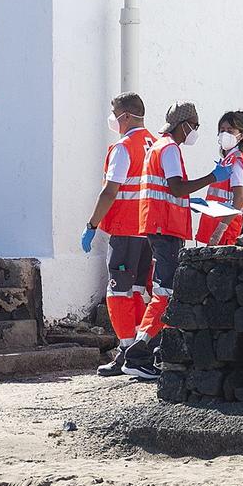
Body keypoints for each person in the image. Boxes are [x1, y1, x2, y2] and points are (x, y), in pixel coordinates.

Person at [123, 103, 227, 380]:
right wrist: (211, 178)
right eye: (195, 124)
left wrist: (187, 201)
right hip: (165, 228)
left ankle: (152, 352)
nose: (196, 130)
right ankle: (138, 353)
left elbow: (171, 191)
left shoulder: (159, 147)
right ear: (184, 125)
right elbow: (176, 186)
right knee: (165, 293)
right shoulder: (169, 149)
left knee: (165, 291)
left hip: (161, 225)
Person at [83, 93, 156, 377]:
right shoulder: (154, 143)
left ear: (125, 115)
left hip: (126, 229)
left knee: (118, 291)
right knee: (139, 289)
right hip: (147, 228)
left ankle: (127, 351)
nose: (112, 117)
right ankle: (140, 349)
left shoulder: (125, 147)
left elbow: (110, 190)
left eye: (114, 112)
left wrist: (91, 225)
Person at [194, 110, 243, 247]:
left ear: (241, 136)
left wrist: (220, 230)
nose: (225, 134)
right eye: (222, 130)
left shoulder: (236, 160)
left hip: (228, 230)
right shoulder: (231, 159)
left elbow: (239, 198)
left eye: (230, 130)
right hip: (226, 226)